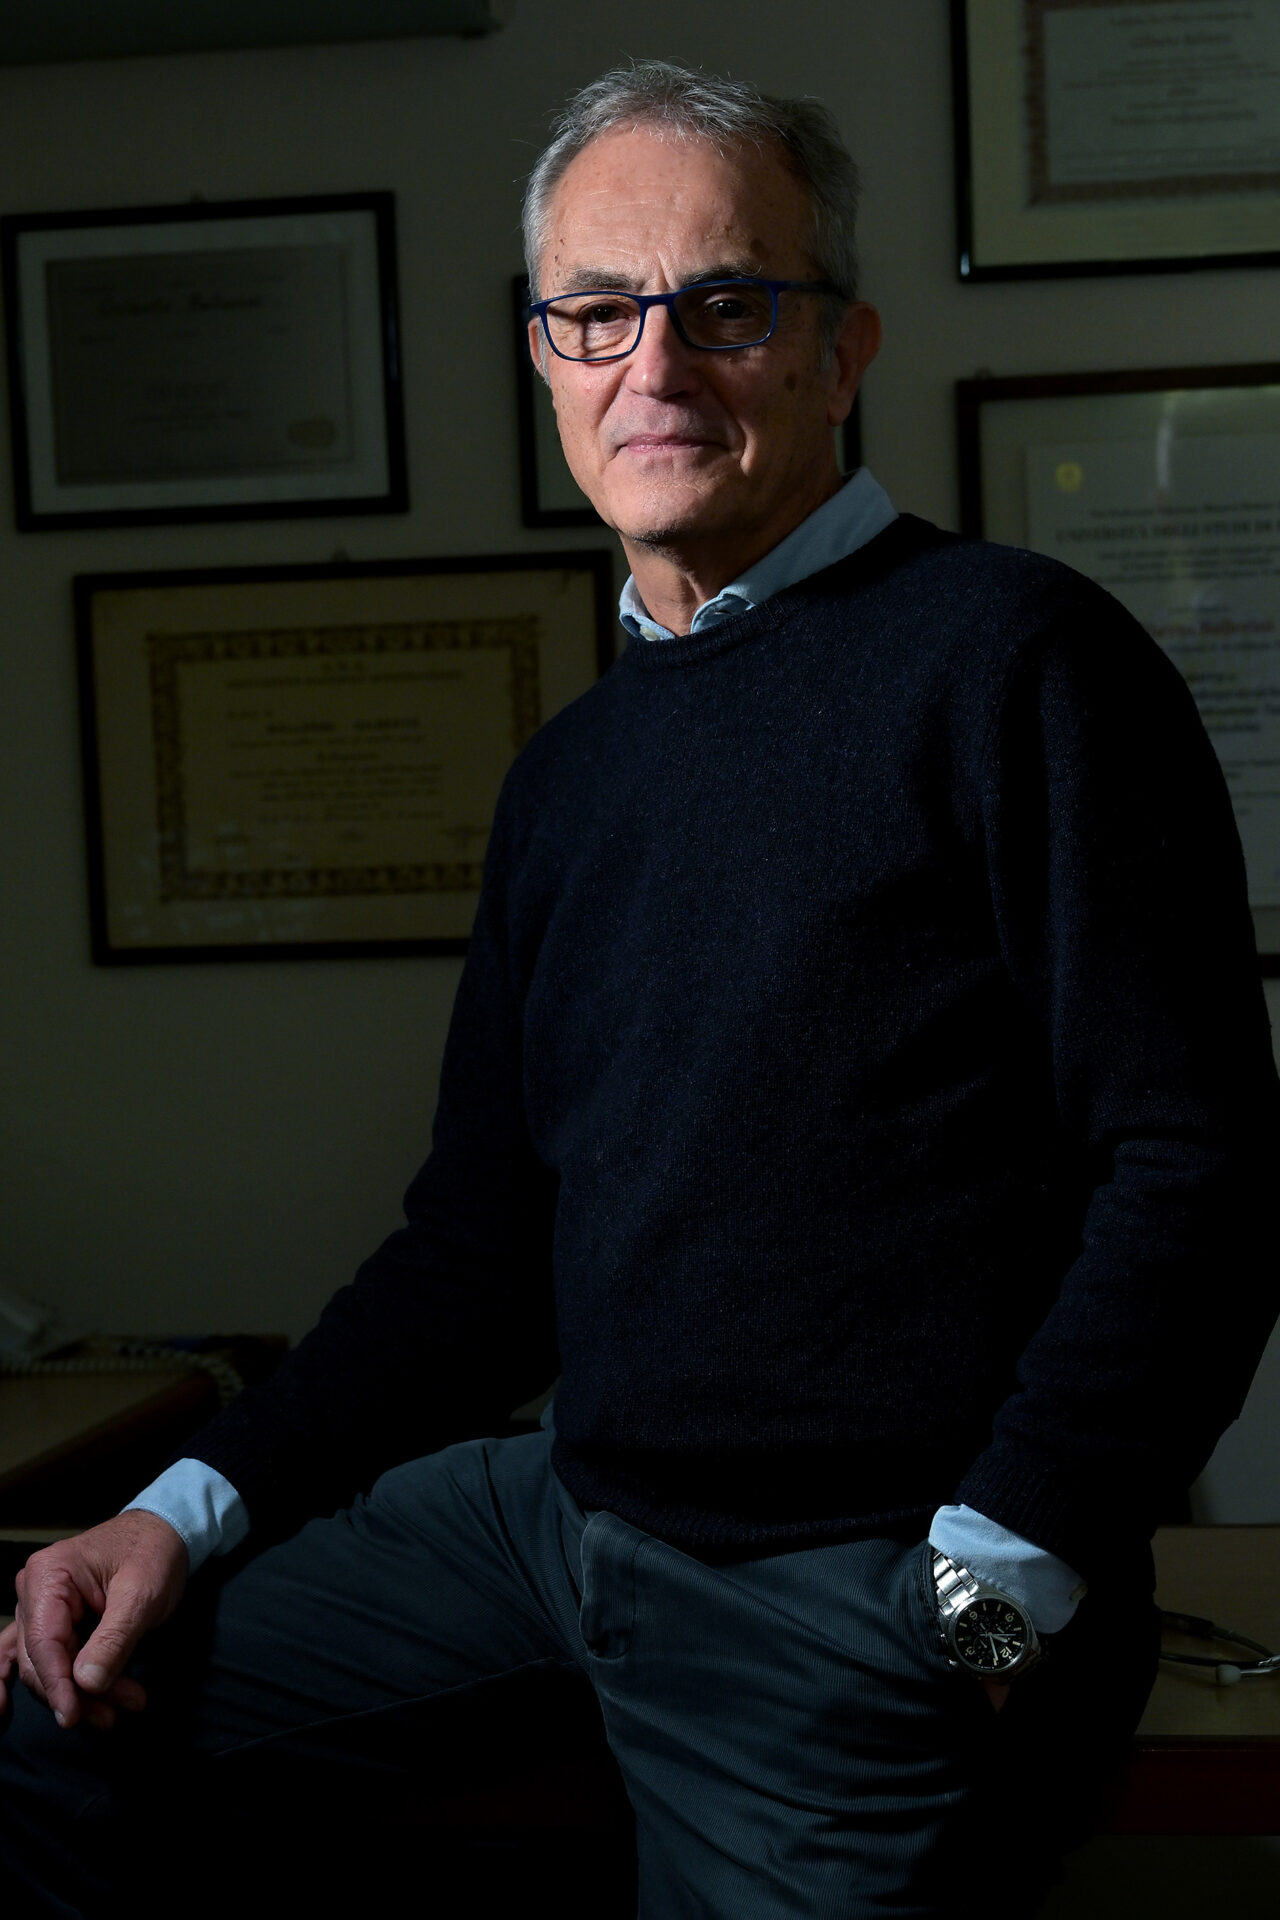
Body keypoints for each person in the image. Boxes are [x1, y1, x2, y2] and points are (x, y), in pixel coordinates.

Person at [3, 59, 1279, 1920]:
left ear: (840, 354)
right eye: (596, 311)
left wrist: (997, 1588)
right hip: (558, 1522)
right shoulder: (573, 777)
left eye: (727, 305)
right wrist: (168, 1510)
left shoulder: (1021, 664)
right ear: (545, 358)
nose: (654, 367)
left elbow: (1201, 1172)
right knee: (53, 1721)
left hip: (858, 1584)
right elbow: (477, 1252)